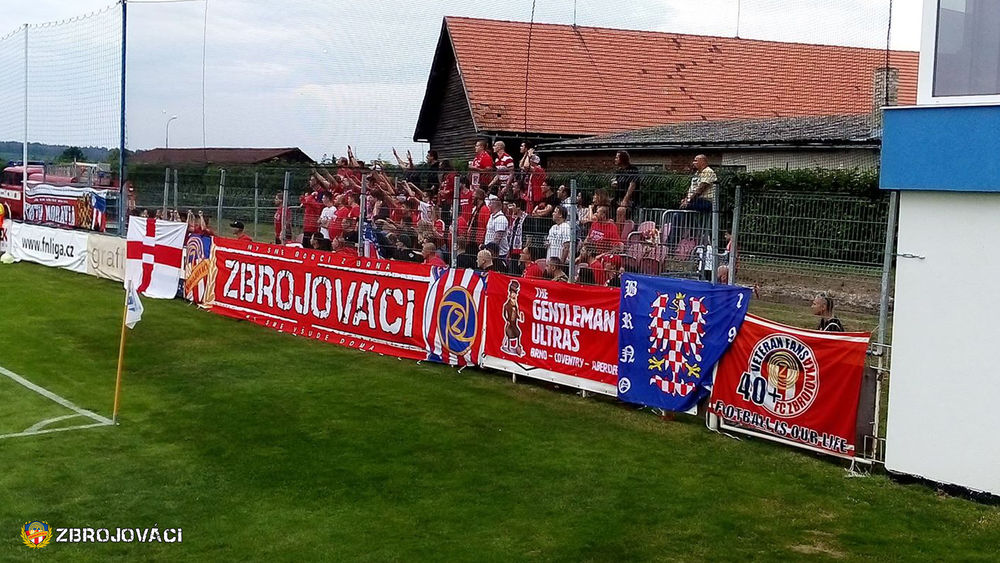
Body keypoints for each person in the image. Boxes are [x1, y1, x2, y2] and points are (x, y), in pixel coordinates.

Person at [612, 151, 640, 224]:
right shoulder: (619, 171)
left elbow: (632, 185)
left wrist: (625, 200)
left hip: (630, 200)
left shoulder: (632, 169)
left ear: (622, 158)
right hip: (618, 198)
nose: (615, 159)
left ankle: (619, 232)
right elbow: (618, 183)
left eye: (617, 157)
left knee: (621, 211)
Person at [483, 195, 510, 263]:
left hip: (499, 254)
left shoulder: (500, 219)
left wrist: (488, 248)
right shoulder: (492, 217)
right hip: (489, 252)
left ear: (495, 205)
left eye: (491, 203)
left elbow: (497, 239)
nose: (489, 205)